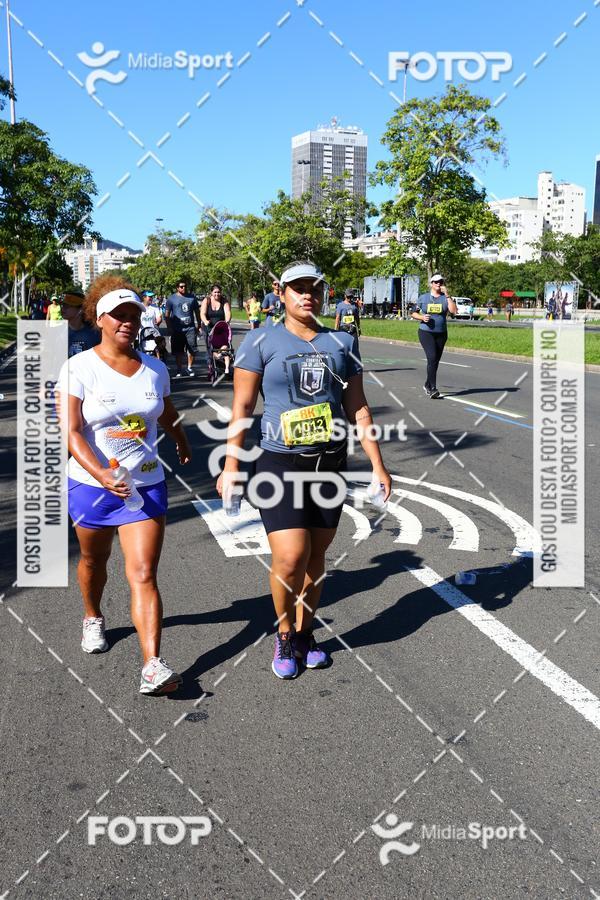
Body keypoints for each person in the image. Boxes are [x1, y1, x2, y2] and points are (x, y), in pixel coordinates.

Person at [217, 260, 391, 680]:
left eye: (314, 286)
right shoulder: (260, 341)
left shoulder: (342, 342)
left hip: (329, 463)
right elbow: (242, 407)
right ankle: (282, 633)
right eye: (298, 287)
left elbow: (357, 406)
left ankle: (306, 633)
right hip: (279, 463)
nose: (307, 294)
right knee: (291, 556)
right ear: (281, 293)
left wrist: (377, 464)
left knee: (316, 558)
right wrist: (231, 464)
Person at [56, 275, 191, 695]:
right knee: (94, 562)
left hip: (145, 485)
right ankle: (92, 615)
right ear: (100, 319)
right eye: (119, 316)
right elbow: (72, 432)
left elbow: (164, 413)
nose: (128, 322)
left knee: (144, 572)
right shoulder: (79, 367)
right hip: (92, 486)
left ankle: (152, 665)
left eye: (134, 315)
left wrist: (182, 439)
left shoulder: (153, 368)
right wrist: (101, 474)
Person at [412, 274, 457, 399]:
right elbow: (413, 313)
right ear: (431, 283)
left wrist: (447, 295)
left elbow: (453, 311)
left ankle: (427, 383)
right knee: (431, 358)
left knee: (435, 361)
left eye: (441, 282)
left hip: (441, 333)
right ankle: (433, 388)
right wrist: (422, 317)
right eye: (436, 282)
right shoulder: (424, 298)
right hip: (426, 332)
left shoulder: (445, 298)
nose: (439, 284)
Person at [165, 279, 201, 378]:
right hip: (177, 329)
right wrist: (169, 327)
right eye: (181, 286)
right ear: (177, 288)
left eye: (185, 286)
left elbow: (197, 312)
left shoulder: (192, 298)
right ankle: (179, 369)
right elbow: (167, 314)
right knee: (178, 351)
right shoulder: (171, 299)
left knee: (192, 349)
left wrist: (199, 325)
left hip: (190, 328)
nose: (183, 288)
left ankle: (189, 368)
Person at [200, 283, 232, 374]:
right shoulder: (207, 300)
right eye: (215, 292)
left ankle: (224, 365)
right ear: (211, 292)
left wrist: (227, 322)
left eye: (219, 292)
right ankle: (210, 366)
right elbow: (202, 313)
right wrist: (205, 321)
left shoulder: (224, 301)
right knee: (209, 348)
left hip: (220, 328)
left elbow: (228, 312)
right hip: (208, 328)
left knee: (224, 346)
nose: (217, 294)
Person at [61, 289, 101, 357]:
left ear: (80, 310)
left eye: (67, 306)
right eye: (62, 305)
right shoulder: (59, 333)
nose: (63, 309)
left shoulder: (95, 334)